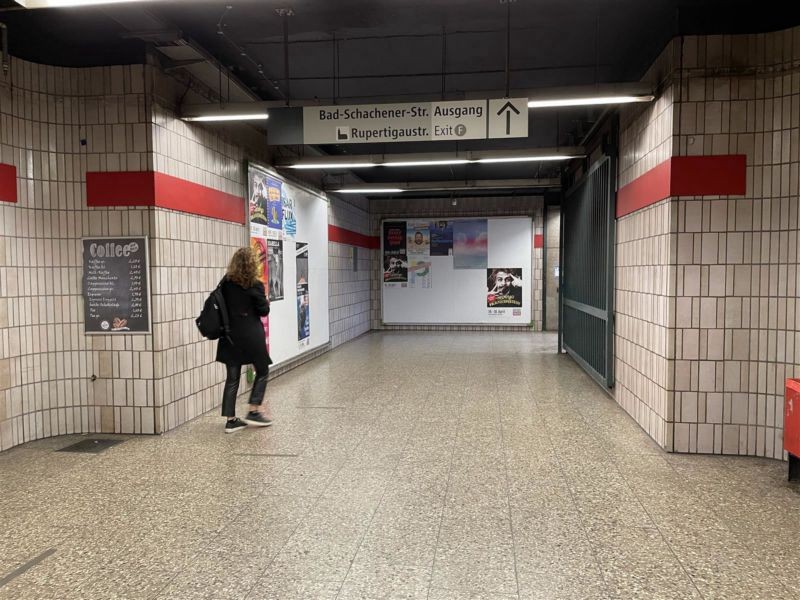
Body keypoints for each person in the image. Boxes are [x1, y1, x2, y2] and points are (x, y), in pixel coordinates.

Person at [217, 247, 273, 433]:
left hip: (230, 336)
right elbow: (263, 311)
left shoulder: (226, 283)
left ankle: (231, 420)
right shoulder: (254, 284)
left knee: (232, 378)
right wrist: (266, 301)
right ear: (252, 264)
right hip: (251, 336)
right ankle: (253, 410)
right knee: (263, 370)